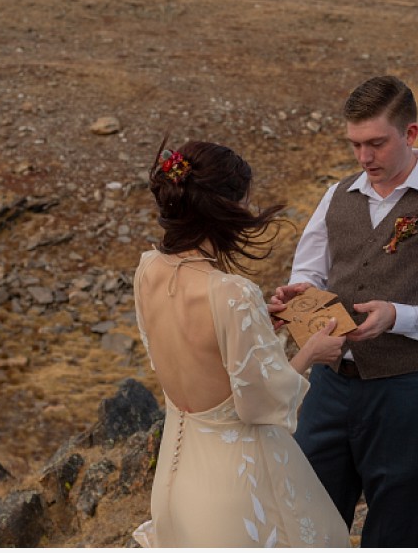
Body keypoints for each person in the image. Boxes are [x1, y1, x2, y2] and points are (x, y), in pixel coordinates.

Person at [271, 75, 418, 547]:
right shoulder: (336, 196)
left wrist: (401, 315)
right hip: (327, 391)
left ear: (410, 134)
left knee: (398, 534)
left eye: (376, 143)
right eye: (355, 144)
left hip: (408, 397)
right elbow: (309, 275)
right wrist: (295, 300)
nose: (364, 158)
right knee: (304, 527)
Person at [131, 137, 355, 548]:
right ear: (225, 208)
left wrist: (258, 330)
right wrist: (310, 352)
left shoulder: (147, 271)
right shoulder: (231, 292)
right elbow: (258, 403)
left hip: (173, 479)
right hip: (236, 488)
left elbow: (194, 355)